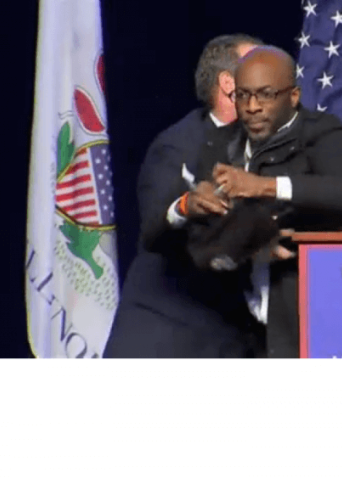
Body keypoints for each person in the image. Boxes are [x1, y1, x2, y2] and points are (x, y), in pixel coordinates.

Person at [189, 45, 342, 357]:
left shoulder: (323, 134)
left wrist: (266, 186)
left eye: (265, 94)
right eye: (243, 95)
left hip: (310, 320)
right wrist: (246, 241)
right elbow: (199, 246)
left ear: (293, 96)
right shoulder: (220, 144)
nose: (252, 106)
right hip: (236, 328)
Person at [104, 33, 266, 358]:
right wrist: (186, 206)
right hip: (171, 343)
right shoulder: (179, 145)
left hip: (239, 344)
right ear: (228, 84)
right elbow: (155, 226)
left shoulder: (275, 147)